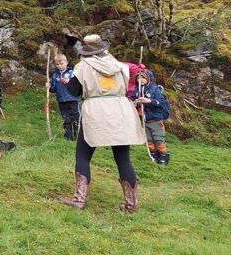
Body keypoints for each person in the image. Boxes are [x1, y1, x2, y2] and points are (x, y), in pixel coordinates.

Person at [58, 35, 146, 212]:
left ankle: (79, 199)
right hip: (120, 112)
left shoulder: (82, 67)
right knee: (123, 159)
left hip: (96, 112)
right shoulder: (120, 66)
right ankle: (131, 204)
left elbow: (74, 91)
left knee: (83, 155)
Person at [130, 70, 170, 166]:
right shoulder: (136, 90)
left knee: (158, 139)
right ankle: (153, 155)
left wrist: (148, 100)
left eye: (143, 78)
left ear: (148, 78)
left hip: (155, 119)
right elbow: (131, 100)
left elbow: (159, 102)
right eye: (138, 78)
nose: (140, 80)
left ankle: (163, 156)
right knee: (148, 140)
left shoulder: (155, 89)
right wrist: (134, 103)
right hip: (144, 120)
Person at [47, 54, 80, 140]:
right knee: (66, 119)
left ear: (66, 63)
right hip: (61, 100)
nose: (60, 66)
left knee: (75, 118)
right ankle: (68, 138)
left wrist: (69, 82)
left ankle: (78, 137)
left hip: (72, 99)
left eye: (61, 63)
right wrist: (49, 86)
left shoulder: (72, 73)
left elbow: (77, 85)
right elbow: (53, 89)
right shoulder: (55, 75)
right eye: (57, 64)